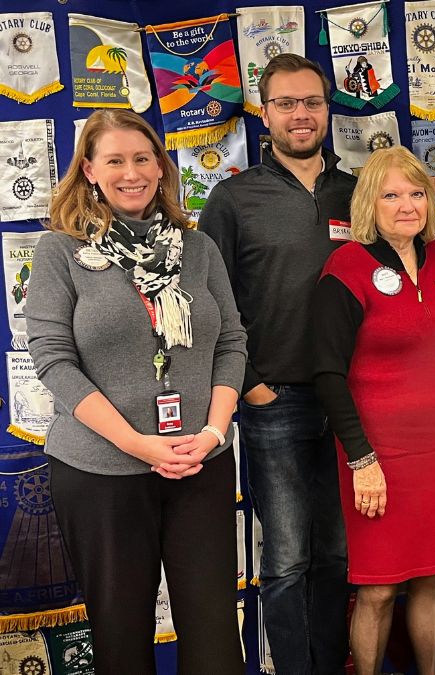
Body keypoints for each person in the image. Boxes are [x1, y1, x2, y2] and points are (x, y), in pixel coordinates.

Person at [25, 109, 246, 674]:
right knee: (122, 637)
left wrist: (214, 432)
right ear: (90, 171)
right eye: (115, 160)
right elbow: (53, 360)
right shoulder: (60, 252)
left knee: (216, 635)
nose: (132, 172)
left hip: (201, 463)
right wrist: (138, 444)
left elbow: (232, 343)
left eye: (142, 158)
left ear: (161, 166)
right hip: (101, 474)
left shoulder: (197, 249)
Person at [199, 54, 352, 674]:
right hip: (274, 402)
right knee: (286, 561)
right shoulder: (234, 198)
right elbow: (207, 301)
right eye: (286, 103)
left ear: (327, 108)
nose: (300, 114)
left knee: (338, 557)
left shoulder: (360, 191)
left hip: (348, 402)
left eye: (311, 102)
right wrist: (248, 386)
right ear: (265, 113)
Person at [312, 146, 435, 675]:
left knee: (430, 576)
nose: (406, 205)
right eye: (390, 194)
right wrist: (361, 459)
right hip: (374, 453)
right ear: (368, 205)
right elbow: (327, 373)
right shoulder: (346, 266)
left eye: (416, 193)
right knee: (377, 589)